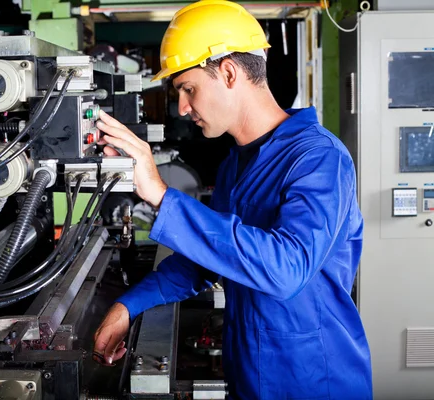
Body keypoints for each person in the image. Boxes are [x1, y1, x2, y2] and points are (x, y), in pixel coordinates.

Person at [92, 1, 373, 398]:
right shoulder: (235, 165)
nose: (183, 107)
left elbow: (286, 269)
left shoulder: (318, 158)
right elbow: (206, 259)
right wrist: (127, 307)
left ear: (227, 73)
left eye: (188, 89)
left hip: (313, 382)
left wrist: (159, 193)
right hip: (248, 378)